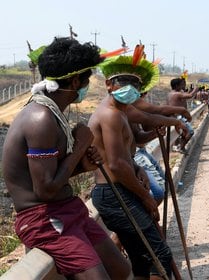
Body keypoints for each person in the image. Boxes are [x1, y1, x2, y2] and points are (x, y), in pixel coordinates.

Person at [1, 37, 130, 279]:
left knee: (121, 270)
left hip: (67, 209)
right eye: (87, 80)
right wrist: (80, 147)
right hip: (42, 218)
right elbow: (45, 190)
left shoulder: (53, 113)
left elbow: (51, 175)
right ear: (74, 81)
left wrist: (82, 166)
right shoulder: (40, 118)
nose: (87, 87)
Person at [89, 52, 173, 279]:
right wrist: (145, 197)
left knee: (141, 258)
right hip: (114, 193)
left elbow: (126, 152)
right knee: (160, 255)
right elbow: (115, 165)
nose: (131, 88)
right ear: (108, 84)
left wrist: (138, 169)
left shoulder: (122, 112)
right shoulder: (110, 115)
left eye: (136, 84)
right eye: (124, 82)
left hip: (121, 188)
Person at [167, 77, 198, 152]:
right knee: (190, 131)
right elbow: (190, 96)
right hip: (178, 117)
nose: (182, 86)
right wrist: (196, 89)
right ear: (177, 86)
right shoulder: (177, 94)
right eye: (181, 85)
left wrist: (190, 91)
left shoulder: (171, 93)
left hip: (175, 116)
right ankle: (181, 147)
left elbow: (186, 95)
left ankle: (181, 146)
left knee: (184, 132)